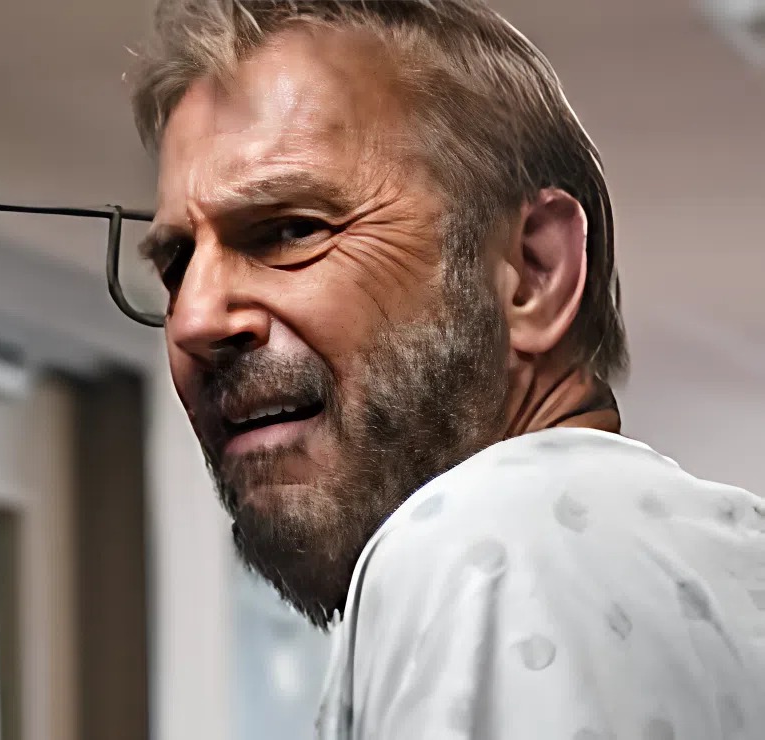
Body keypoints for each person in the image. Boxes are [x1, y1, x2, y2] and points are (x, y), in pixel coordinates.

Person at [120, 1, 765, 737]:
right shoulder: (731, 559)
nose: (194, 319)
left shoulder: (478, 546)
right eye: (177, 263)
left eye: (291, 230)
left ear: (533, 272)